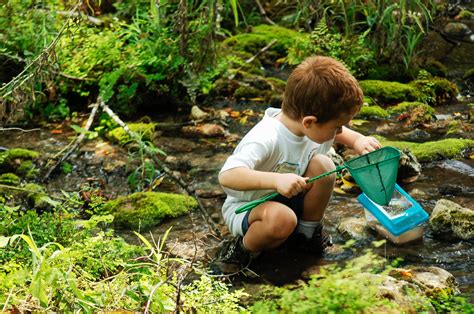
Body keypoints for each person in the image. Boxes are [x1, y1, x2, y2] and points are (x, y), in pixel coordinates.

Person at [213, 56, 381, 273]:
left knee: (324, 165)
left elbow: (337, 133)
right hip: (248, 209)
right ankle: (241, 251)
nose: (339, 133)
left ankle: (306, 237)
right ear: (309, 122)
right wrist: (276, 180)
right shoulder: (267, 137)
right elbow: (227, 175)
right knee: (282, 219)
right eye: (337, 127)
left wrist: (358, 140)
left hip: (290, 198)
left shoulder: (308, 128)